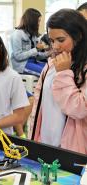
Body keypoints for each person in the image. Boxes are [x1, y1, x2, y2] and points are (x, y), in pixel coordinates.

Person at [30, 9, 87, 154]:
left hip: (72, 151)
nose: (55, 46)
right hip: (45, 145)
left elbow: (79, 109)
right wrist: (34, 139)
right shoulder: (50, 64)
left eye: (61, 40)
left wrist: (63, 74)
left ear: (78, 37)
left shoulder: (83, 68)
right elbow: (38, 106)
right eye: (52, 40)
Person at [10, 8, 50, 77]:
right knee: (47, 74)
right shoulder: (17, 35)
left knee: (52, 70)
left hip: (33, 62)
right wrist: (36, 49)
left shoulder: (32, 35)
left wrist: (48, 54)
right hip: (21, 65)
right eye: (38, 21)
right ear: (32, 21)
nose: (39, 24)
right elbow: (18, 56)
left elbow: (36, 55)